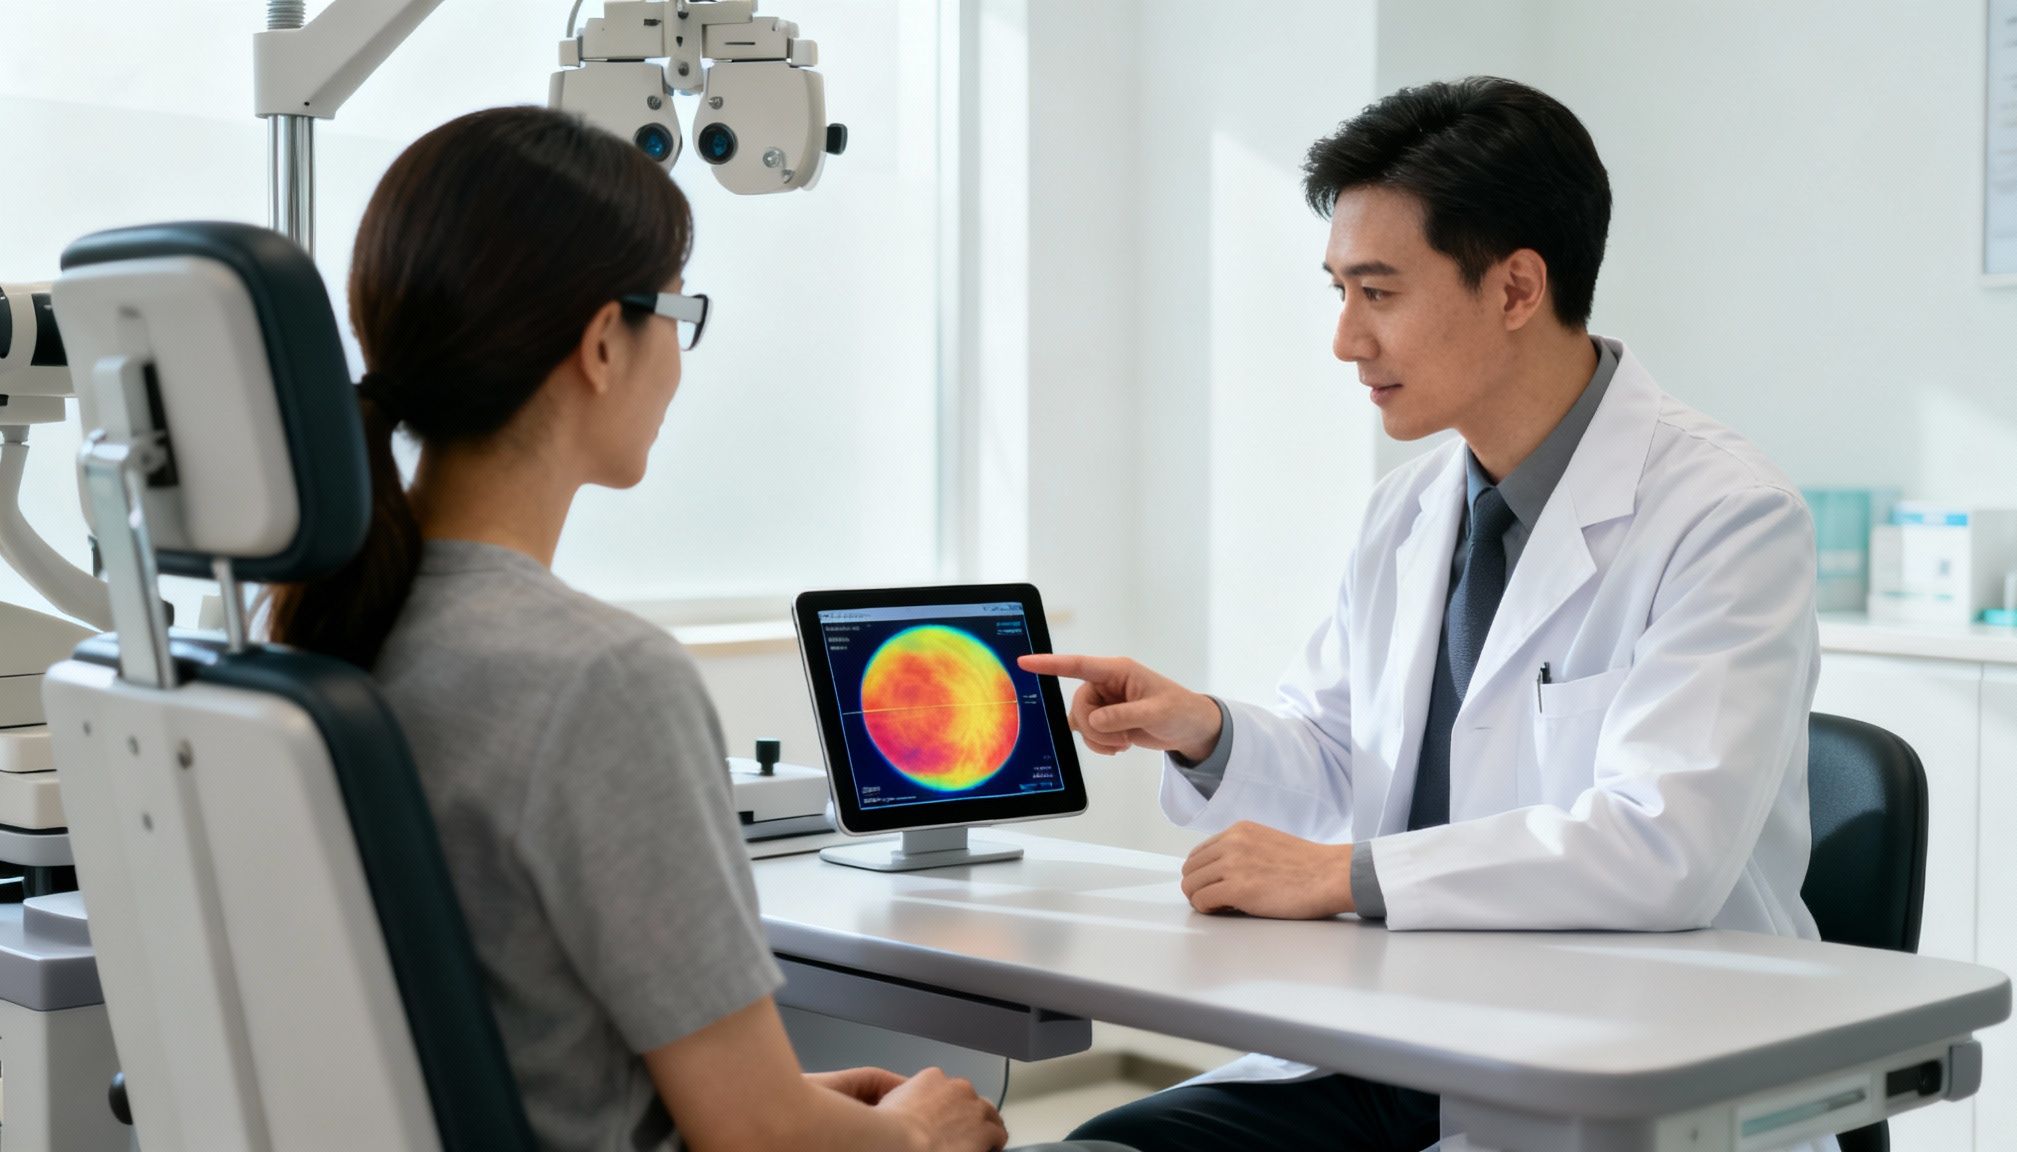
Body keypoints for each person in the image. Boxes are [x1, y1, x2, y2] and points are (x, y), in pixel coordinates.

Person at [265, 106, 1127, 1152]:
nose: (677, 353)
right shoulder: (600, 677)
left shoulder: (321, 641)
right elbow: (755, 1137)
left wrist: (799, 1102)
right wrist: (914, 1137)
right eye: (675, 310)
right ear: (599, 343)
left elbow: (538, 1044)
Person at [1027, 77, 1825, 1152]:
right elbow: (1341, 759)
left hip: (1608, 1067)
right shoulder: (1406, 512)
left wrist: (1345, 875)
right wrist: (1207, 733)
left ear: (1513, 289)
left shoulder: (1724, 515)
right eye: (1336, 292)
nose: (1344, 341)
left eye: (1379, 292)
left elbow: (1660, 846)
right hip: (1395, 1042)